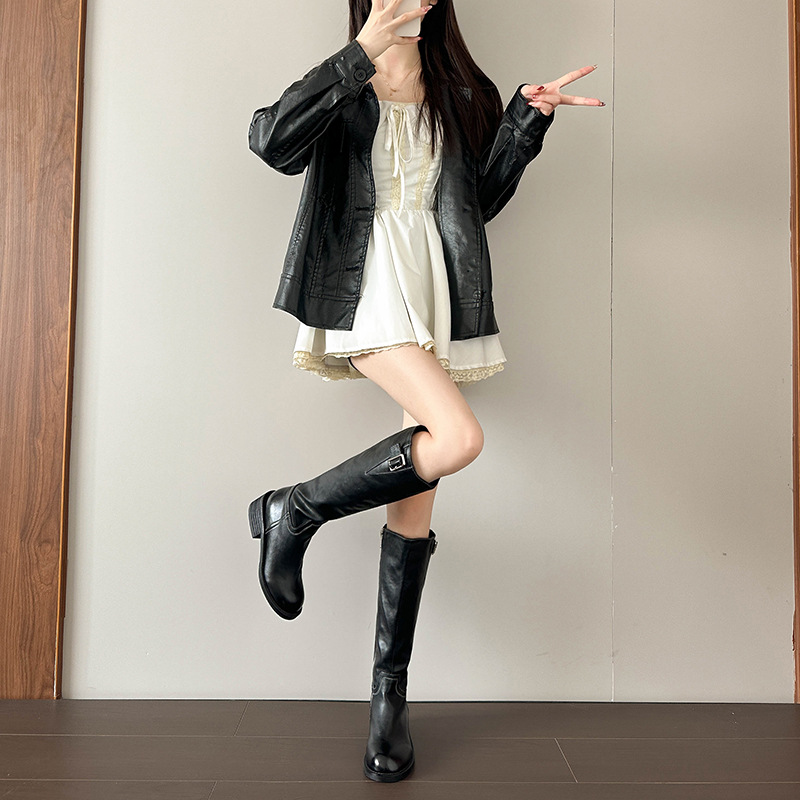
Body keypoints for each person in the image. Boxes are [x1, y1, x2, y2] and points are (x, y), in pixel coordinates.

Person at [247, 0, 603, 783]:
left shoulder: (459, 88)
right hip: (364, 279)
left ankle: (388, 701)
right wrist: (357, 56)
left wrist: (526, 123)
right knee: (459, 438)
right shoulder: (343, 81)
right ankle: (293, 509)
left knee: (417, 495)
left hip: (432, 283)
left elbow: (478, 201)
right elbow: (271, 143)